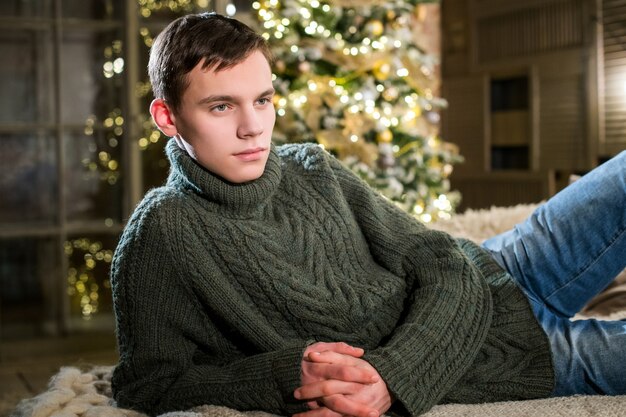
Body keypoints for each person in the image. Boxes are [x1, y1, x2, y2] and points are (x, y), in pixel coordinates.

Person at [110, 11, 626, 417]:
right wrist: (285, 375)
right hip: (507, 358)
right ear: (167, 117)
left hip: (503, 267)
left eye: (263, 99)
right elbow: (150, 383)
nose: (253, 127)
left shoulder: (309, 165)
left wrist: (393, 377)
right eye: (221, 106)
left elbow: (442, 259)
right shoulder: (161, 233)